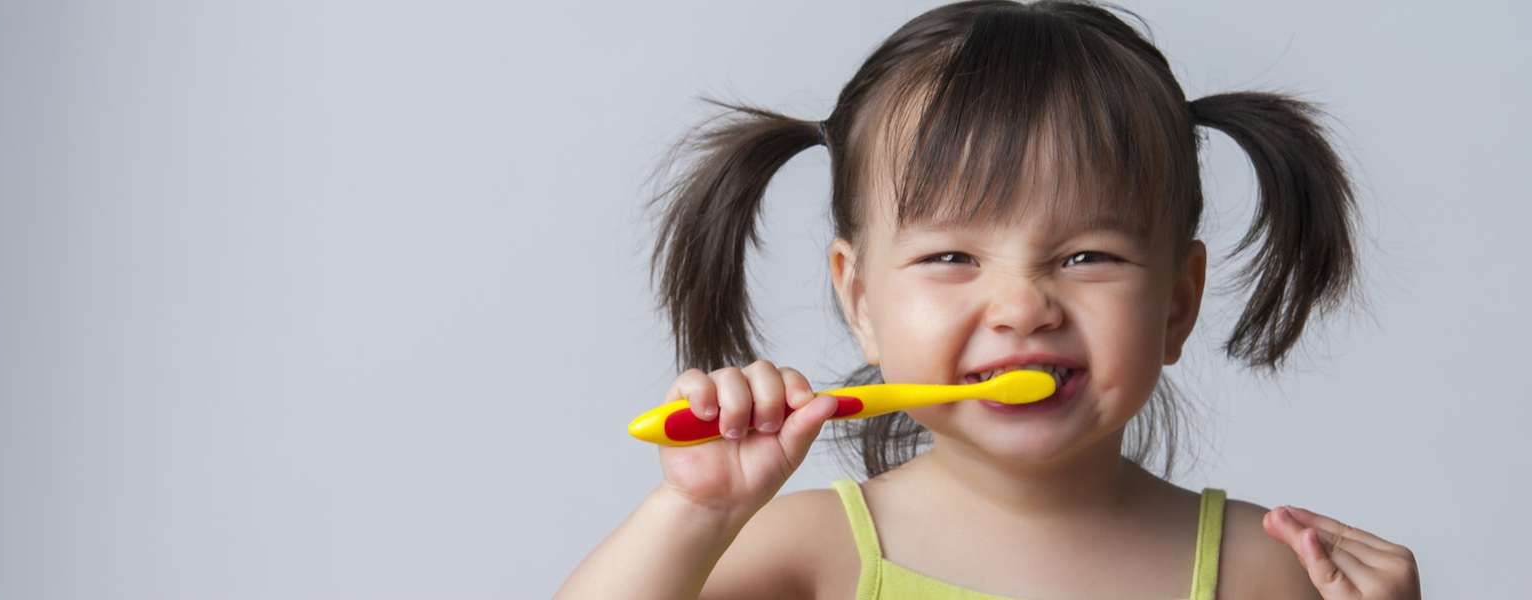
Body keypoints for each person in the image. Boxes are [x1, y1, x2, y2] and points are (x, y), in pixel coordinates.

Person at [557, 1, 1421, 598]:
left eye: (1087, 255)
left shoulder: (1266, 572)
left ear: (1177, 304)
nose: (1022, 305)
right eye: (951, 255)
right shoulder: (806, 553)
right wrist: (695, 513)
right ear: (858, 298)